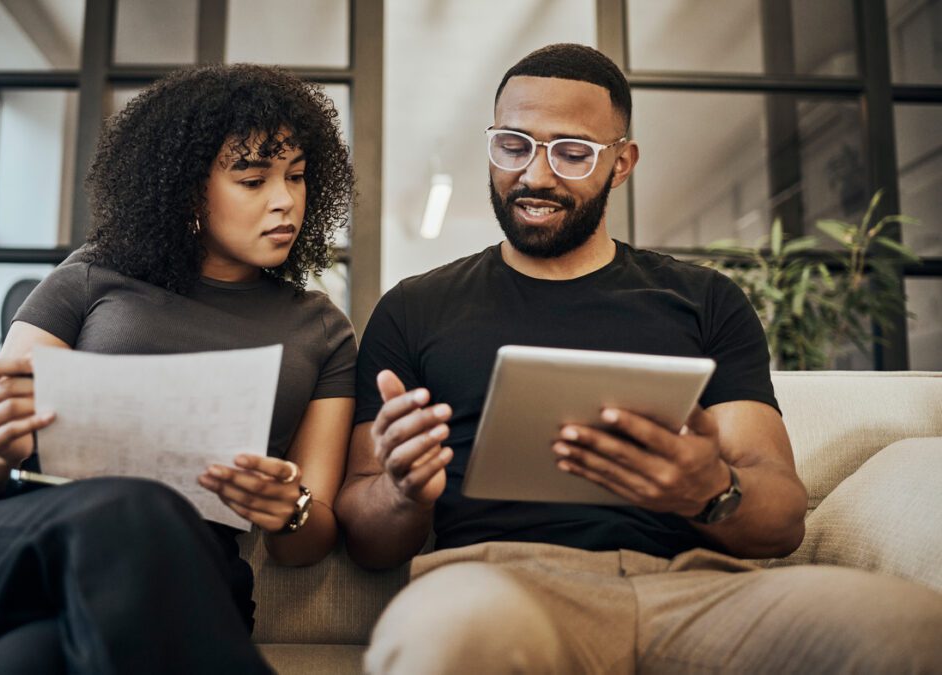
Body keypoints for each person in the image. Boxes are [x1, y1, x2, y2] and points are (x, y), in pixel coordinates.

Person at [335, 44, 942, 674]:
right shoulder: (414, 309)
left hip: (694, 589)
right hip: (499, 585)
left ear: (622, 163)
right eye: (514, 145)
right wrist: (404, 495)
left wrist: (710, 490)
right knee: (448, 635)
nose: (535, 176)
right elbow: (367, 537)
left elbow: (782, 520)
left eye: (572, 153)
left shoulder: (704, 299)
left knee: (905, 628)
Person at [0, 63, 356, 674]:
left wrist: (289, 507)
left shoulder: (320, 328)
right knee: (132, 506)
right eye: (252, 179)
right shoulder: (92, 275)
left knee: (24, 662)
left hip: (178, 583)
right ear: (187, 189)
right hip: (5, 554)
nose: (285, 199)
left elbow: (307, 543)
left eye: (295, 176)